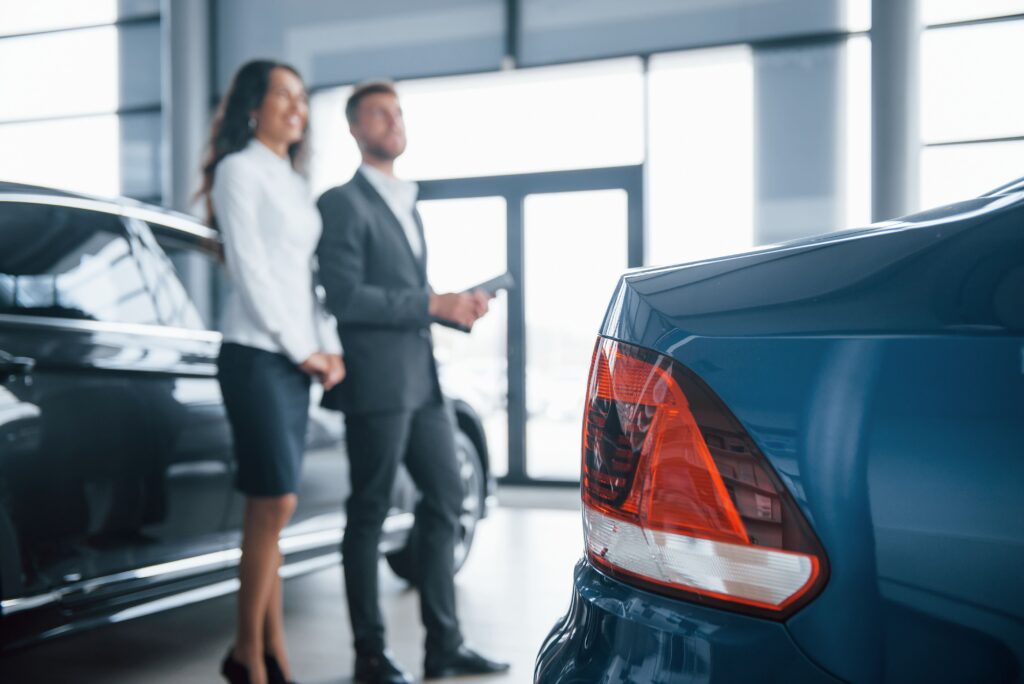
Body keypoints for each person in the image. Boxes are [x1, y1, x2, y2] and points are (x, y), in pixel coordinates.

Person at [316, 81, 509, 684]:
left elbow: (403, 296)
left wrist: (452, 306)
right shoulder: (341, 203)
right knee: (369, 512)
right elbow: (346, 297)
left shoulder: (408, 204)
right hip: (375, 384)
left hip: (423, 383)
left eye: (398, 113)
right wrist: (434, 303)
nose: (393, 122)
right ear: (353, 128)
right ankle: (370, 655)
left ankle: (443, 645)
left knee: (448, 498)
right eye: (379, 113)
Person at [198, 59, 345, 684]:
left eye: (302, 97)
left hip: (294, 359)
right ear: (253, 106)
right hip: (256, 353)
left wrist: (328, 345)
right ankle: (244, 655)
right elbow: (252, 271)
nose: (296, 106)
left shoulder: (292, 178)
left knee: (272, 512)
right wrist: (298, 347)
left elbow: (303, 281)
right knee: (275, 499)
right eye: (282, 94)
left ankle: (271, 651)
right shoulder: (237, 171)